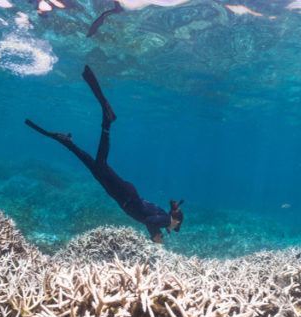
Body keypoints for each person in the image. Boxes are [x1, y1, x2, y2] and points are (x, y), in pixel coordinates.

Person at [25, 65, 183, 243]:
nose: (172, 229)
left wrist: (173, 210)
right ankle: (107, 120)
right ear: (175, 222)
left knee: (94, 167)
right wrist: (155, 236)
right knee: (100, 164)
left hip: (125, 195)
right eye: (175, 227)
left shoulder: (165, 215)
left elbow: (160, 214)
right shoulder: (165, 221)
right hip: (126, 196)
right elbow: (148, 220)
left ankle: (67, 142)